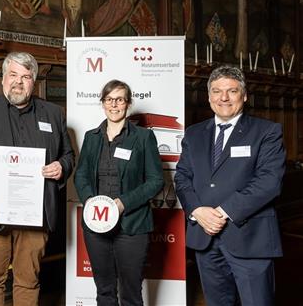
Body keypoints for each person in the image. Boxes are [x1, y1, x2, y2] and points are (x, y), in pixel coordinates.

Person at [0, 51, 75, 306]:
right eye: (13, 75)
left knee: (28, 280)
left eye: (25, 76)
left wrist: (61, 167)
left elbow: (68, 154)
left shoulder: (53, 113)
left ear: (34, 82)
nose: (18, 82)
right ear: (3, 79)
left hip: (35, 217)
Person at [175, 65, 285, 306]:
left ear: (244, 95)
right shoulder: (193, 134)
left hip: (250, 239)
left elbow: (269, 182)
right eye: (217, 91)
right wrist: (197, 211)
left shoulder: (266, 131)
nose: (223, 98)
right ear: (209, 96)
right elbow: (182, 177)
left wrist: (222, 213)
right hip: (205, 237)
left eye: (231, 91)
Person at [74, 79, 164, 306]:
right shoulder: (91, 137)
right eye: (109, 99)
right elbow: (81, 176)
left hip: (132, 225)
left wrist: (123, 203)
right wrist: (91, 202)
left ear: (128, 103)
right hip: (96, 224)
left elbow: (155, 181)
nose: (114, 105)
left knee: (131, 293)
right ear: (102, 103)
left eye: (120, 99)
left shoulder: (143, 137)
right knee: (104, 290)